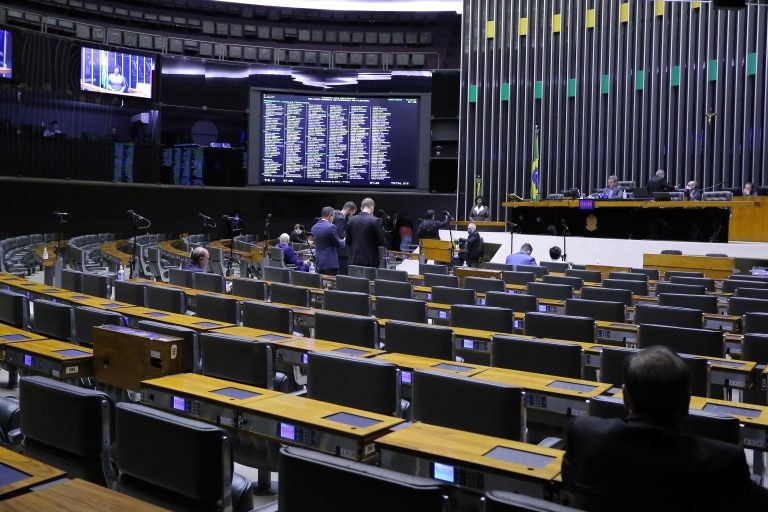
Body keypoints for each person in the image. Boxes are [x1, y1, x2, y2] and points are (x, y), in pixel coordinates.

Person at [563, 345, 768, 511]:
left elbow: (570, 483)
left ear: (625, 398)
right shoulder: (724, 461)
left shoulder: (583, 433)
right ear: (687, 403)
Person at [346, 197, 386, 268]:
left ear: (361, 208)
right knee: (370, 279)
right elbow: (382, 242)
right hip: (371, 260)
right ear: (372, 208)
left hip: (354, 259)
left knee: (355, 279)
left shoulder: (351, 220)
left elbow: (348, 241)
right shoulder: (375, 221)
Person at [311, 206, 345, 276]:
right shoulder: (331, 227)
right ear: (330, 216)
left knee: (321, 285)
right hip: (330, 263)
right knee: (332, 285)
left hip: (319, 262)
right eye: (333, 217)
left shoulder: (313, 228)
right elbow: (338, 244)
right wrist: (345, 241)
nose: (333, 219)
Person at [333, 201, 356, 275]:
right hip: (341, 252)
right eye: (352, 213)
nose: (351, 216)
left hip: (337, 252)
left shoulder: (336, 215)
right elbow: (339, 235)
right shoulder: (341, 218)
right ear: (349, 210)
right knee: (343, 273)